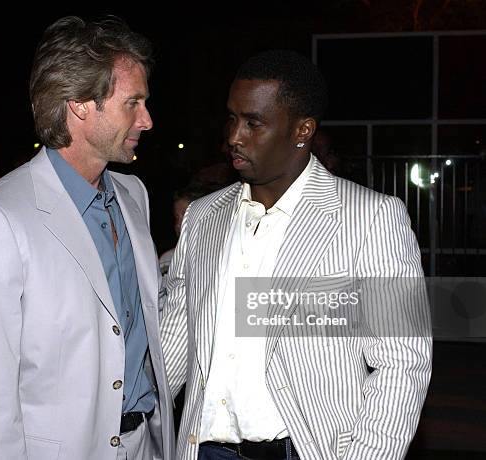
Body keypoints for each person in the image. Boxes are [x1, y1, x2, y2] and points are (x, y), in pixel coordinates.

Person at [161, 50, 432, 460]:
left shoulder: (370, 218)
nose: (235, 136)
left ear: (302, 130)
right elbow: (176, 343)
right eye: (232, 118)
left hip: (305, 450)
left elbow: (402, 363)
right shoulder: (202, 217)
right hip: (204, 449)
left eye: (254, 123)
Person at [0, 16, 174, 460]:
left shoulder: (133, 194)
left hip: (146, 442)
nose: (147, 119)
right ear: (80, 105)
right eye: (133, 103)